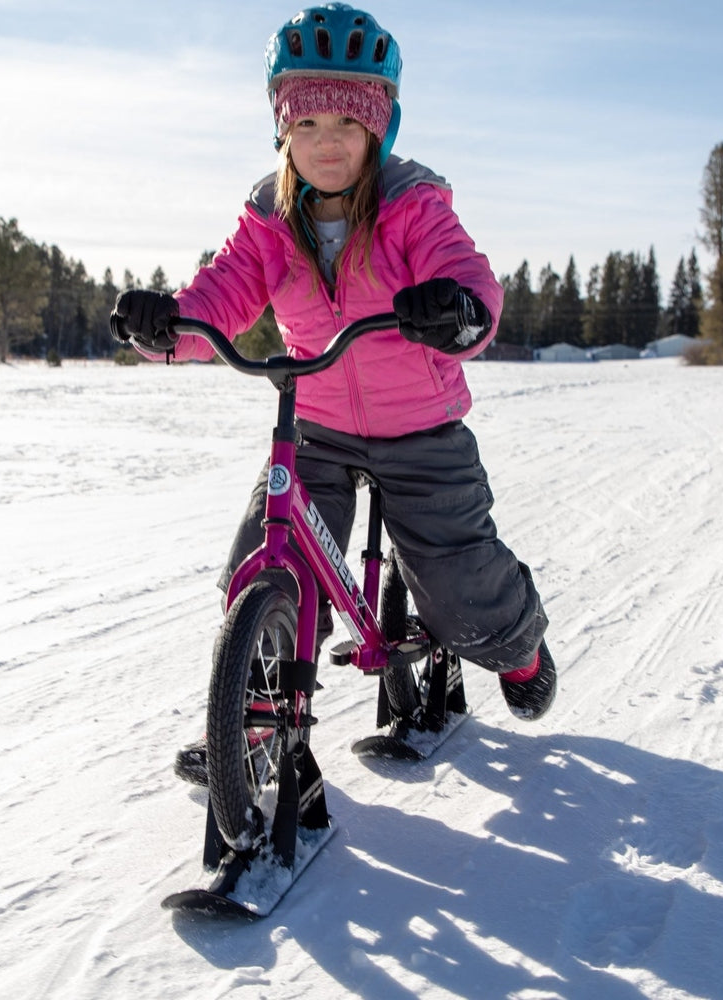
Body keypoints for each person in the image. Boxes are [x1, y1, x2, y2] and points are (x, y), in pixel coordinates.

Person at [112, 4, 556, 774]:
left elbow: (467, 276)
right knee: (268, 557)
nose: (327, 141)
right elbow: (221, 298)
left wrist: (456, 310)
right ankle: (256, 719)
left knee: (458, 586)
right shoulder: (269, 219)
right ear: (282, 128)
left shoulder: (412, 204)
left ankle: (518, 649)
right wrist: (168, 326)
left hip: (421, 426)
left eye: (347, 122)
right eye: (308, 121)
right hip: (315, 422)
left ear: (379, 127)